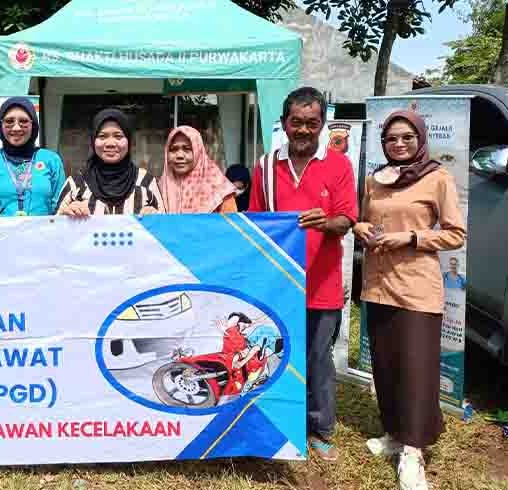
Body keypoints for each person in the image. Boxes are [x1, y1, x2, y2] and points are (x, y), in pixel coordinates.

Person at [353, 110, 465, 490]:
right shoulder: (375, 179)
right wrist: (360, 227)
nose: (399, 144)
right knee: (386, 366)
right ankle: (394, 434)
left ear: (420, 139)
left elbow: (455, 234)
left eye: (406, 137)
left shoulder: (437, 177)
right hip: (378, 284)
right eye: (391, 138)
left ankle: (413, 452)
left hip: (417, 288)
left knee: (416, 370)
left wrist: (412, 238)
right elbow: (363, 220)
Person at [249, 87, 358, 461]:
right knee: (274, 354)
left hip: (322, 284)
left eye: (312, 123)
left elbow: (347, 219)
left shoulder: (339, 165)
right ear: (284, 123)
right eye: (296, 122)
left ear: (322, 125)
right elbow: (257, 223)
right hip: (279, 285)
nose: (304, 130)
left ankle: (320, 429)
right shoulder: (265, 167)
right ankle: (279, 421)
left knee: (317, 358)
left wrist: (327, 222)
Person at [0, 97, 65, 218]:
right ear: (0, 125)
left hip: (43, 230)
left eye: (23, 121)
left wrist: (72, 208)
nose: (16, 128)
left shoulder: (51, 160)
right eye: (9, 121)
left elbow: (61, 206)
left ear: (33, 125)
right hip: (1, 230)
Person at [57, 108, 162, 217]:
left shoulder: (146, 182)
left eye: (118, 136)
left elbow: (166, 224)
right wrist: (67, 214)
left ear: (129, 141)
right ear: (93, 141)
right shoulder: (75, 183)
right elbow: (53, 224)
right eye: (102, 136)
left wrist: (156, 216)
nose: (110, 143)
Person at [159, 125, 237, 214]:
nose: (179, 155)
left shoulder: (219, 189)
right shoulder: (160, 189)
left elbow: (230, 221)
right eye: (173, 149)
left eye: (187, 149)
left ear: (198, 151)